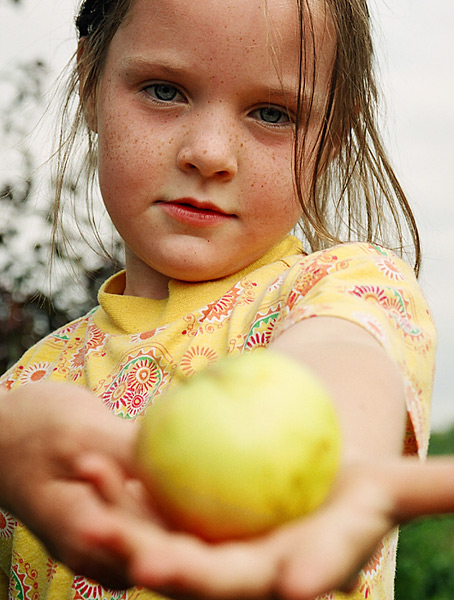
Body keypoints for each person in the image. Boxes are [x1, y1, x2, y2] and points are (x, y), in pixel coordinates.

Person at [0, 0, 451, 598]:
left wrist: (311, 451)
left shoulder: (346, 287)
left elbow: (340, 357)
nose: (209, 153)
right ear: (90, 85)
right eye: (164, 91)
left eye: (272, 112)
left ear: (333, 138)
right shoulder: (27, 387)